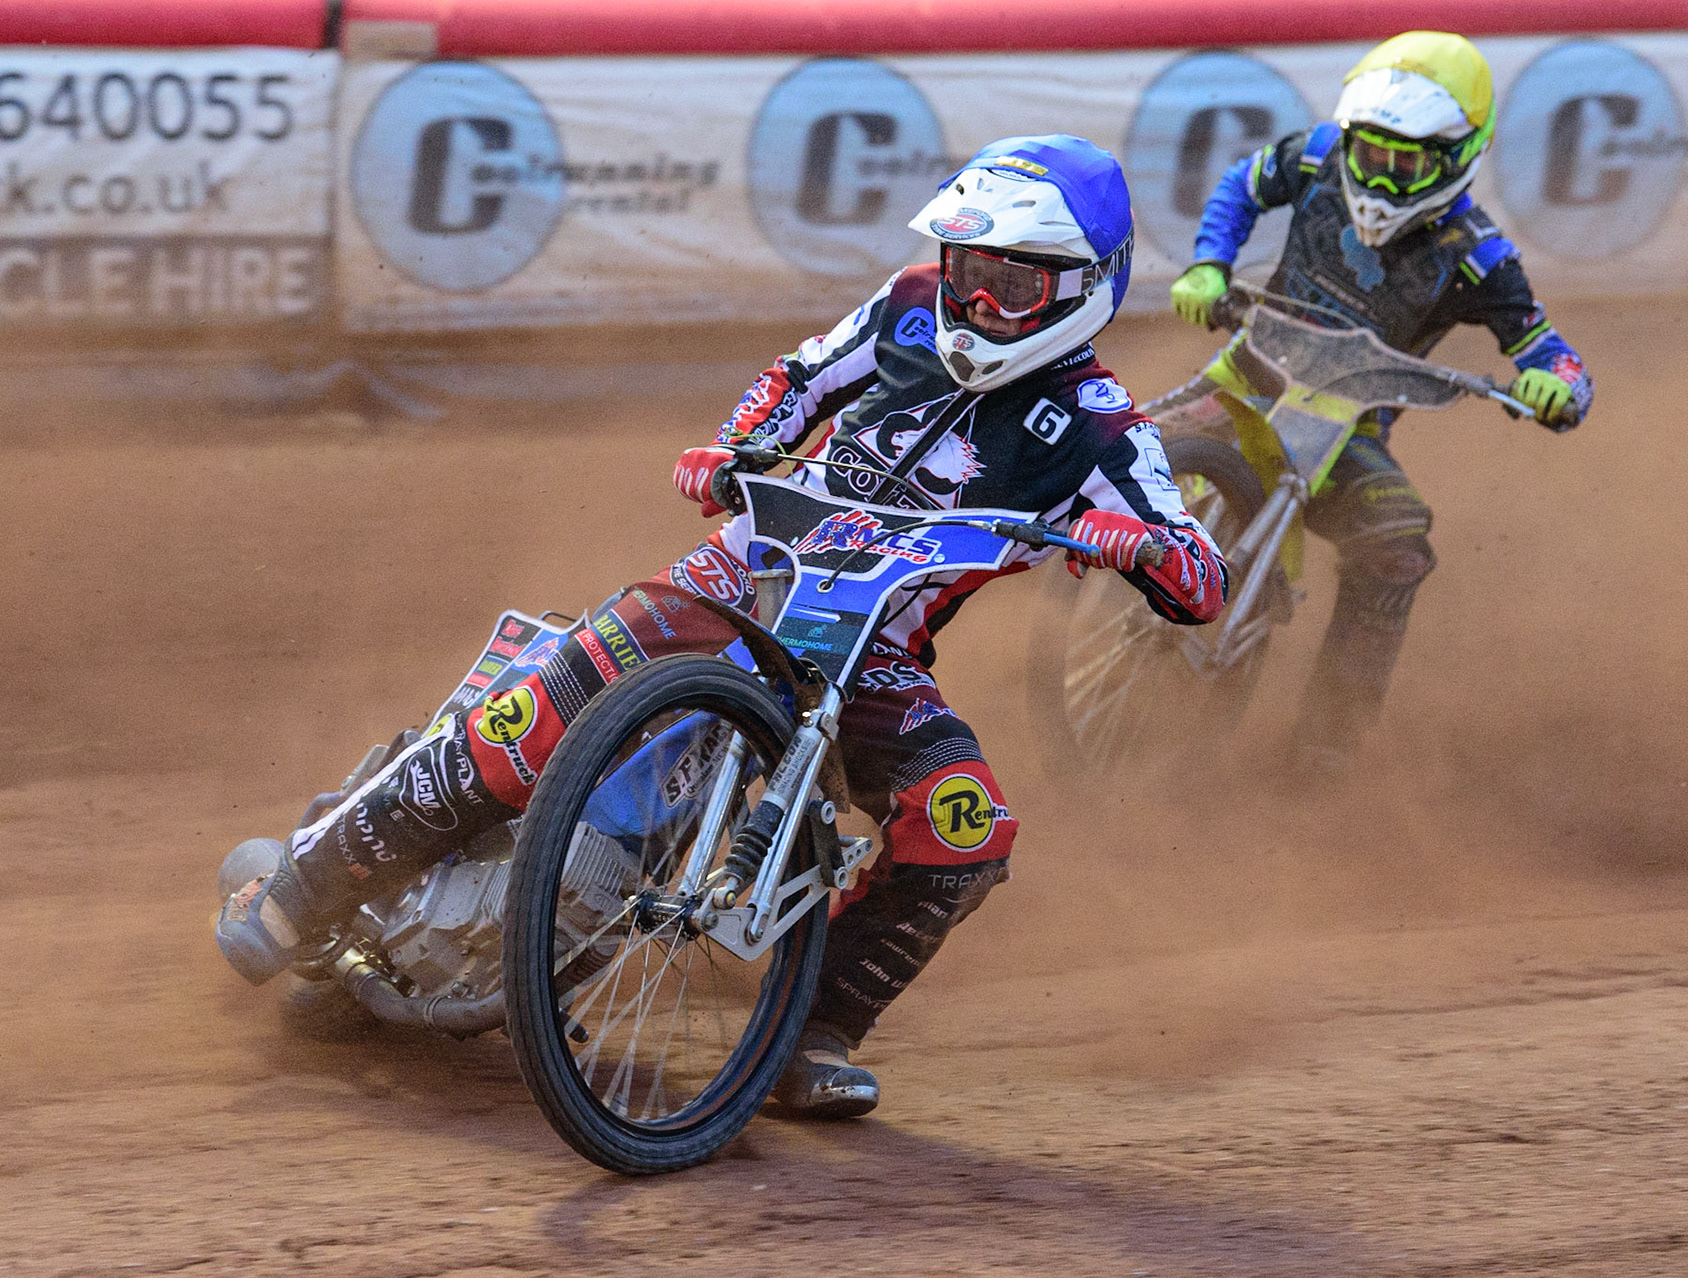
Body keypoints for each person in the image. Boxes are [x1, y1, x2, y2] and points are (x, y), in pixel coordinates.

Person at [218, 135, 1226, 1118]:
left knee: (966, 827)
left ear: (1084, 286)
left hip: (865, 655)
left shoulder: (1102, 427)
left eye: (1012, 284)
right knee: (552, 698)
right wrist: (739, 445)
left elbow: (1204, 580)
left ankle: (810, 1034)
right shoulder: (912, 303)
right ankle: (305, 885)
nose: (976, 300)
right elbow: (798, 380)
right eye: (970, 269)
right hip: (743, 570)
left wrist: (1142, 550)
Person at [1163, 30, 1593, 774]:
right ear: (1352, 139)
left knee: (1397, 549)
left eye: (1408, 162)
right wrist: (1209, 264)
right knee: (1118, 450)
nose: (1385, 179)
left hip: (1343, 432)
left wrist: (1558, 387)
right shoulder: (1316, 153)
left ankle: (1329, 743)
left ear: (1461, 155)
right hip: (1246, 376)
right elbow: (1241, 183)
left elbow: (1549, 350)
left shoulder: (1478, 255)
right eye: (1374, 156)